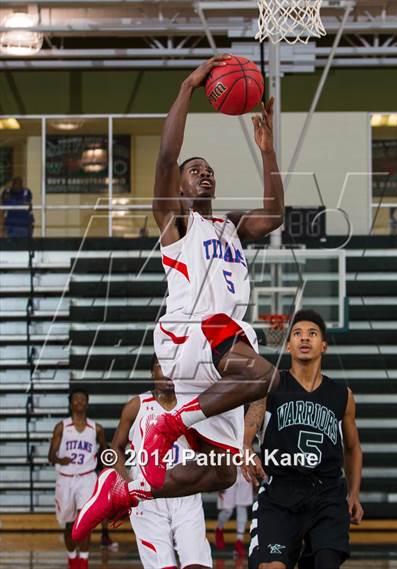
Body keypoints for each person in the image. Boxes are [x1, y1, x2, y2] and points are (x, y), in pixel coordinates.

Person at [72, 54, 284, 542]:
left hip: (223, 345)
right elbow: (166, 158)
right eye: (195, 171)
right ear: (181, 186)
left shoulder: (230, 226)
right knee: (266, 375)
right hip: (192, 330)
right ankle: (172, 424)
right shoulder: (177, 222)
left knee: (222, 473)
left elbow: (274, 214)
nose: (203, 174)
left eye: (209, 170)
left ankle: (126, 489)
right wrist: (188, 87)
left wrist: (267, 150)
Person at [242, 309, 364, 569]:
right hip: (280, 491)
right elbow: (247, 435)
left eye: (312, 334)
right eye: (297, 334)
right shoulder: (269, 386)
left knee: (326, 564)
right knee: (270, 567)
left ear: (324, 345)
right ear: (288, 345)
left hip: (327, 494)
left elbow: (352, 449)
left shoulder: (342, 395)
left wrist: (353, 494)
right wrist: (247, 450)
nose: (304, 338)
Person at [110, 353, 212, 569]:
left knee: (197, 565)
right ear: (152, 372)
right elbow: (116, 448)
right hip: (148, 498)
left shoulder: (193, 406)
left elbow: (207, 449)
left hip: (186, 492)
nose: (167, 371)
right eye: (161, 366)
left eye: (173, 366)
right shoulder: (136, 406)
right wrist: (126, 483)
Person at [48, 388, 107, 569]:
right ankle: (72, 557)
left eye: (83, 399)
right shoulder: (62, 427)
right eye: (76, 399)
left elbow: (106, 453)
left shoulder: (96, 428)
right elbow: (51, 456)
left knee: (85, 522)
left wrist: (107, 472)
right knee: (69, 524)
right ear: (71, 403)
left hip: (86, 479)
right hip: (66, 479)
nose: (80, 402)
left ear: (87, 403)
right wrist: (59, 459)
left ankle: (84, 560)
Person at [215, 467, 253, 557]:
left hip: (244, 471)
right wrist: (218, 478)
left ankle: (239, 542)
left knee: (242, 507)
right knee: (227, 510)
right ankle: (219, 529)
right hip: (228, 471)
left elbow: (251, 453)